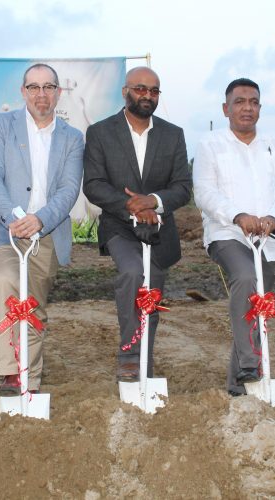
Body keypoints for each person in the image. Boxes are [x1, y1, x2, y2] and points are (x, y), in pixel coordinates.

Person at [193, 78, 275, 397]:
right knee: (245, 278)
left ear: (260, 108)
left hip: (269, 238)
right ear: (226, 108)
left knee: (253, 307)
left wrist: (273, 217)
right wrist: (238, 216)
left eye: (253, 101)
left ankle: (238, 387)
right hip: (227, 234)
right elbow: (204, 191)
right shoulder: (210, 144)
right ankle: (252, 362)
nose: (247, 107)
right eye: (239, 101)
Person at [0, 63, 84, 396]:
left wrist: (40, 219)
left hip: (47, 234)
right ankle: (13, 374)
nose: (41, 94)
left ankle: (31, 379)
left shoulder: (72, 137)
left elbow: (69, 189)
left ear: (58, 92)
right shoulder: (1, 125)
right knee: (6, 284)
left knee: (33, 305)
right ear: (23, 92)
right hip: (5, 232)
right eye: (34, 87)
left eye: (48, 87)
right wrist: (14, 217)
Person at [83, 67, 192, 382]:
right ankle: (129, 357)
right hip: (119, 227)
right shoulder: (101, 132)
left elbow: (183, 186)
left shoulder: (174, 134)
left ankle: (144, 366)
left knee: (150, 295)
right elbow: (93, 184)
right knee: (133, 273)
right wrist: (130, 204)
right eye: (141, 89)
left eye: (154, 91)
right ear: (125, 91)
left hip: (159, 232)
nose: (147, 95)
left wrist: (153, 201)